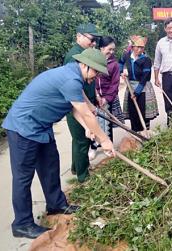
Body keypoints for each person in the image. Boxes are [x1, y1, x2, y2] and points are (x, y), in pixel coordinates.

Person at [2, 48, 114, 239]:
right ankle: (22, 224)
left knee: (50, 166)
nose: (95, 77)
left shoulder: (73, 75)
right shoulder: (70, 79)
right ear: (84, 65)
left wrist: (87, 127)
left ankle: (56, 204)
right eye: (95, 71)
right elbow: (85, 112)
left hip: (42, 127)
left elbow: (76, 109)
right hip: (24, 128)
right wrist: (105, 140)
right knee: (23, 178)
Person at [63, 23, 100, 182]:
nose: (93, 43)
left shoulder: (85, 53)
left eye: (95, 41)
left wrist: (95, 95)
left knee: (79, 138)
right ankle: (83, 176)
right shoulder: (74, 57)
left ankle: (76, 167)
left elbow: (89, 80)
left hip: (86, 101)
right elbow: (75, 87)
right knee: (82, 139)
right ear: (79, 36)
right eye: (91, 39)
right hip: (77, 104)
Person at [89, 36, 124, 160]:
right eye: (109, 49)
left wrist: (106, 98)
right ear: (101, 48)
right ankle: (93, 147)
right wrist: (97, 95)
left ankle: (108, 148)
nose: (111, 52)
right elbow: (91, 80)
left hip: (108, 98)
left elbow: (115, 84)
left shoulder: (114, 65)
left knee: (107, 124)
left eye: (113, 50)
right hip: (94, 98)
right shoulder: (93, 61)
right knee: (94, 123)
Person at [119, 35, 159, 132]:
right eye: (137, 47)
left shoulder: (146, 60)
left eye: (142, 47)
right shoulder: (127, 56)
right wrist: (121, 72)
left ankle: (145, 133)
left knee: (143, 112)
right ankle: (135, 134)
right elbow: (119, 63)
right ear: (132, 47)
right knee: (133, 112)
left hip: (143, 88)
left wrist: (136, 93)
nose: (140, 49)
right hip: (130, 86)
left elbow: (145, 77)